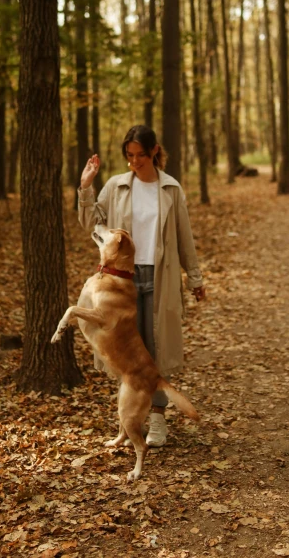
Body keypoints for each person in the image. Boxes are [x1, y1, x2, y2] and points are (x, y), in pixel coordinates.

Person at [77, 124, 205, 447]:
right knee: (130, 351)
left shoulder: (171, 189)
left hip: (161, 278)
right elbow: (92, 224)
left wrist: (196, 278)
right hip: (123, 283)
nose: (134, 162)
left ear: (154, 152)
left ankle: (158, 419)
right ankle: (131, 418)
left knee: (156, 348)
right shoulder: (116, 186)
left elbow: (184, 238)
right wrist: (85, 187)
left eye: (141, 156)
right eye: (130, 156)